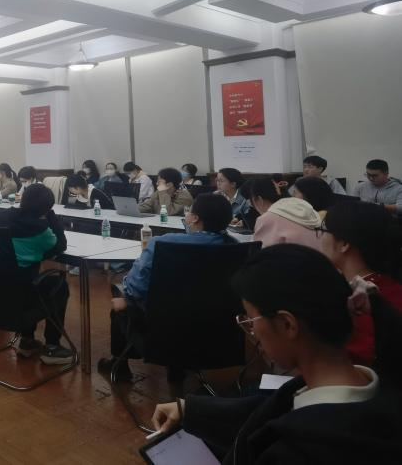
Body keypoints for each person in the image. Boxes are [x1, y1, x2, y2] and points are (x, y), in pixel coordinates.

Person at [151, 245, 402, 464]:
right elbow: (273, 410)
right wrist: (191, 409)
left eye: (251, 320)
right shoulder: (375, 387)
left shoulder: (295, 452)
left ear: (287, 324)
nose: (251, 332)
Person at [98, 193, 235, 381]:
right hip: (216, 326)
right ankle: (177, 366)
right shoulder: (235, 247)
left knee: (121, 302)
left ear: (195, 218)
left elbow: (136, 286)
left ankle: (120, 365)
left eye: (189, 211)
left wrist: (126, 294)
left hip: (164, 324)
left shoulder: (163, 243)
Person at [0, 183, 75, 365]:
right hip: (21, 297)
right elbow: (60, 245)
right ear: (45, 209)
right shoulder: (41, 232)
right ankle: (52, 346)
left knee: (27, 281)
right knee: (58, 286)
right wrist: (51, 216)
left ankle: (27, 340)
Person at [318, 200, 402, 365]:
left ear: (344, 244)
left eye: (322, 230)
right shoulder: (387, 285)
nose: (319, 237)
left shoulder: (365, 303)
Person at [253, 196, 323, 251]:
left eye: (295, 191)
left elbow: (262, 254)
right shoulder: (310, 211)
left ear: (259, 200)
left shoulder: (266, 219)